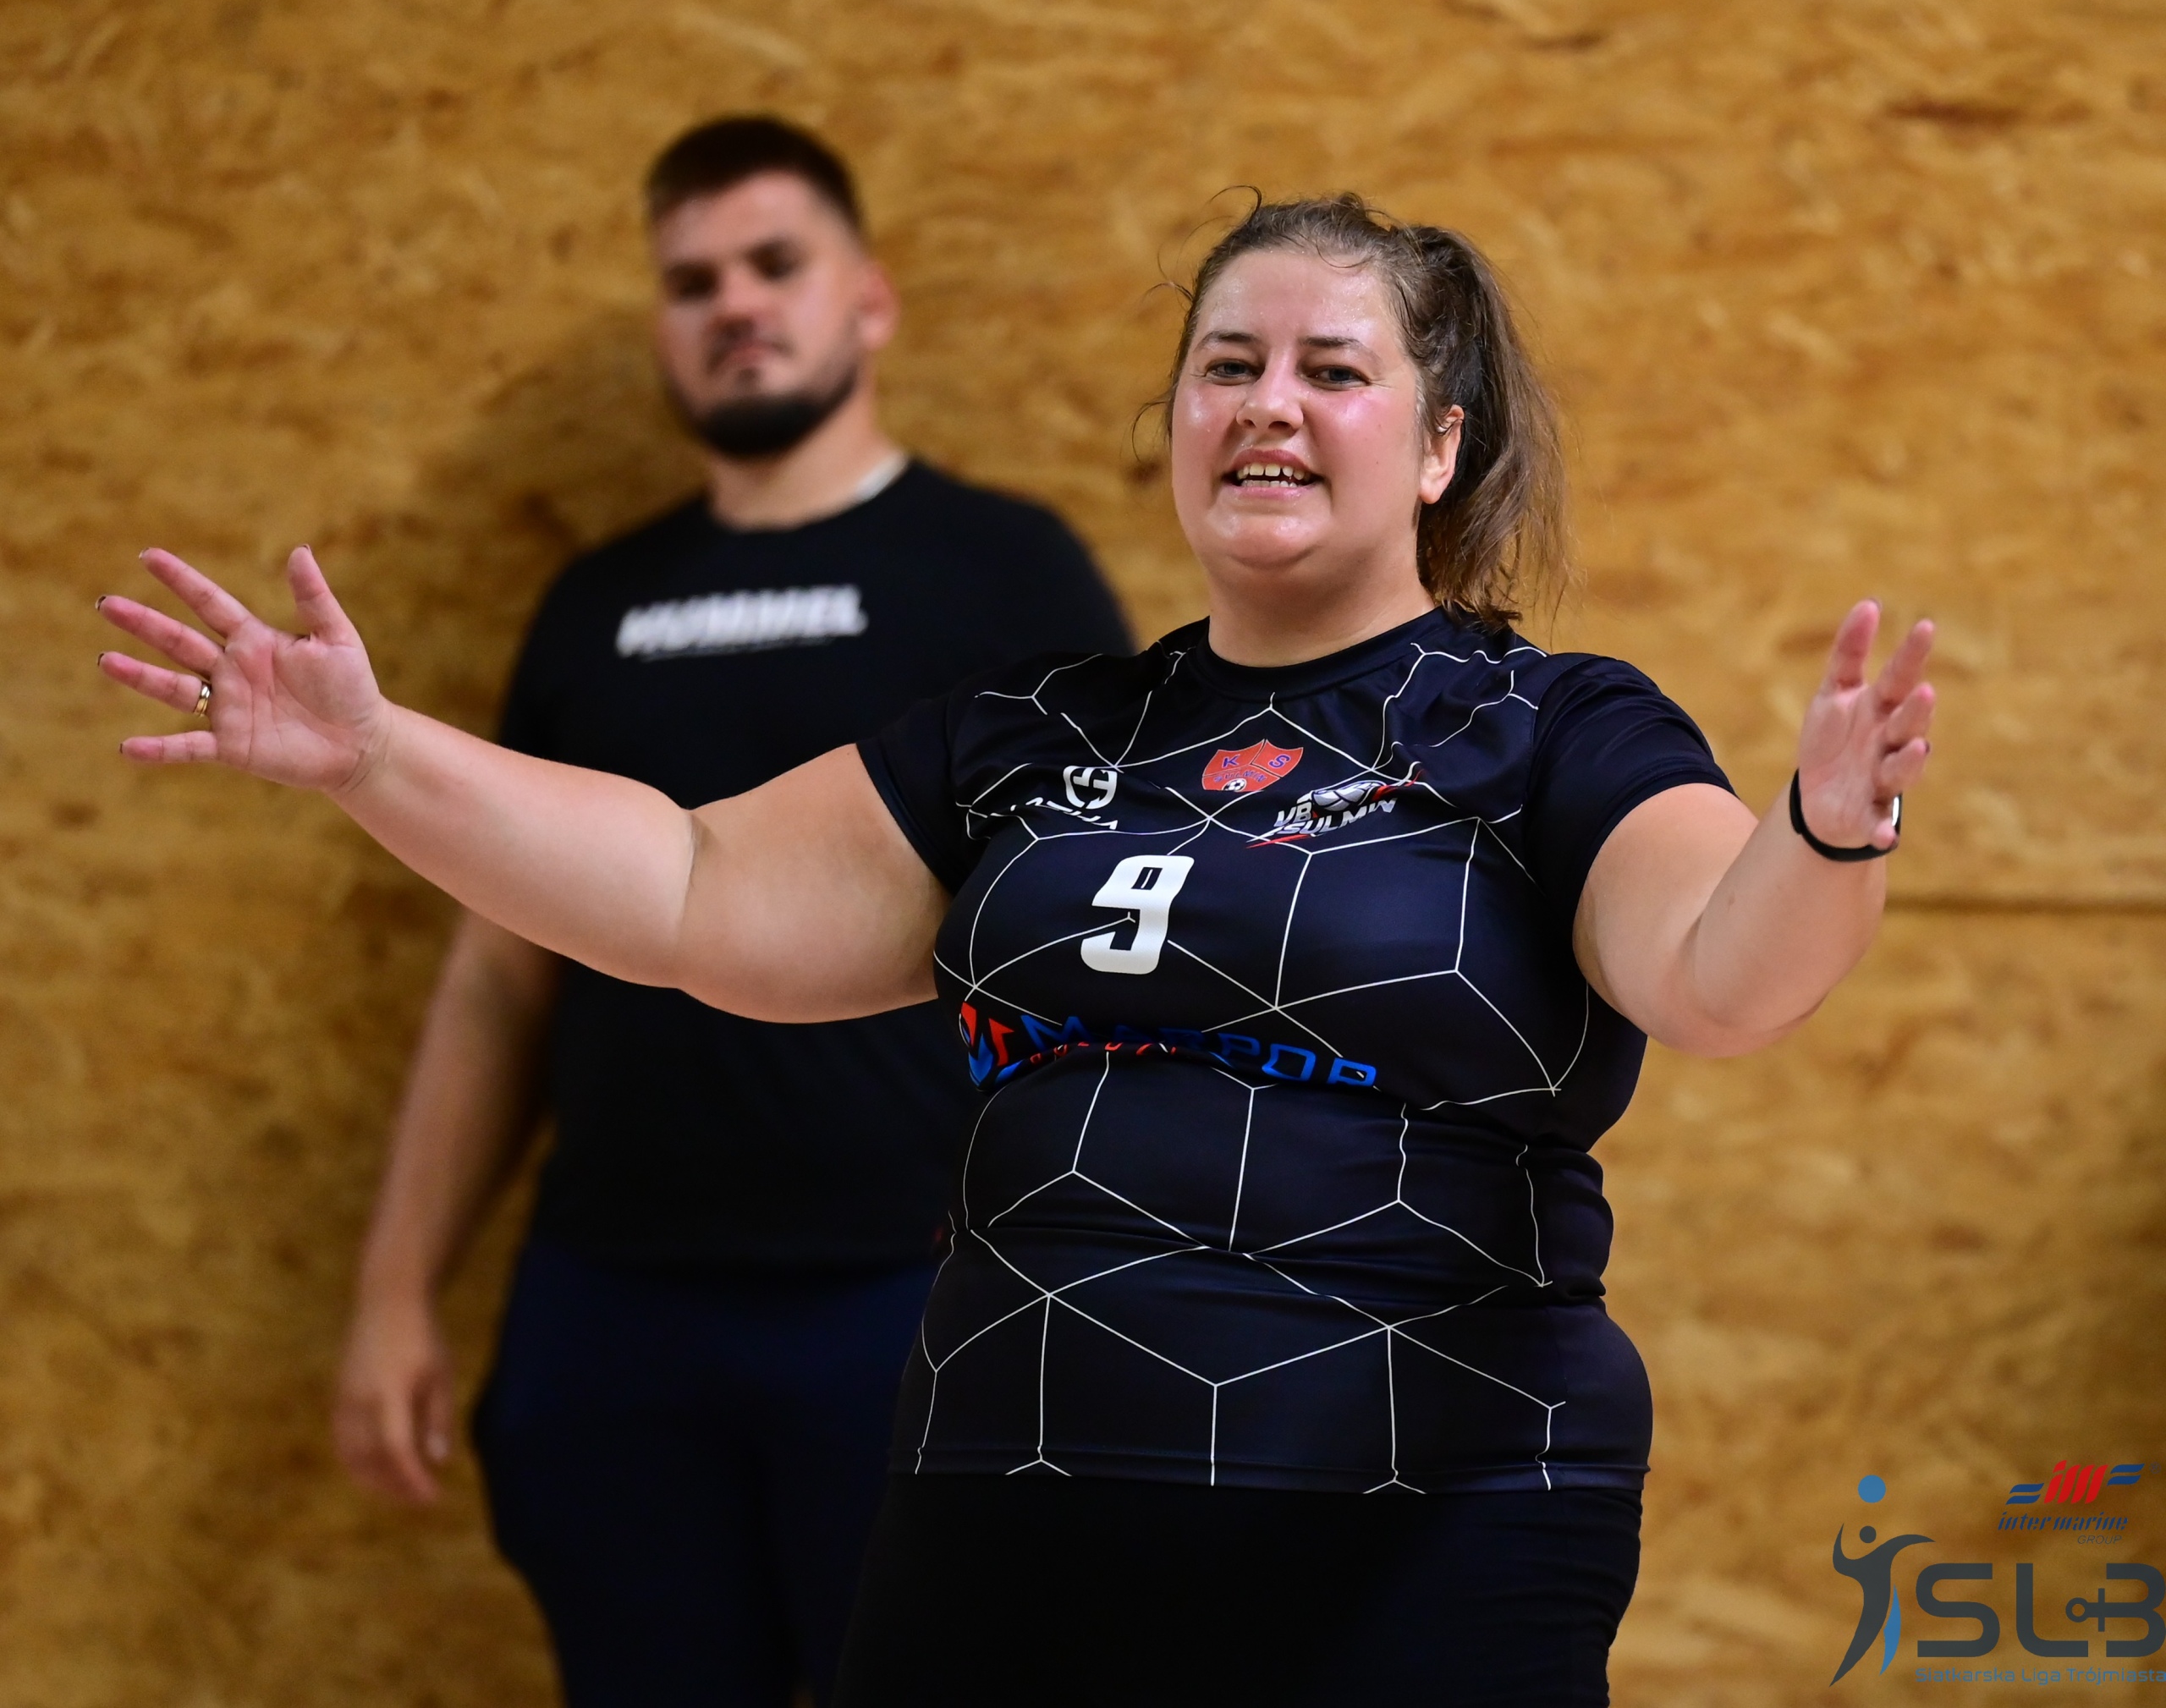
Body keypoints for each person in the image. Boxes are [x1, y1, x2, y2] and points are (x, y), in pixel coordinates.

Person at [96, 192, 1935, 1706]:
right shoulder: (1035, 734)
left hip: (1420, 1517)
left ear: (1441, 443)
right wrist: (373, 755)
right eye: (1226, 365)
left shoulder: (1546, 725)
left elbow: (1717, 972)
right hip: (1007, 1515)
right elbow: (686, 889)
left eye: (1331, 370)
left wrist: (1827, 826)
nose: (1266, 405)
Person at [317, 116, 1128, 1708]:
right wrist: (397, 1288)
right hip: (617, 1308)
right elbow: (498, 975)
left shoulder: (1003, 573)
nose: (734, 304)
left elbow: (1115, 943)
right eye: (692, 281)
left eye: (775, 264)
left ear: (870, 298)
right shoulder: (595, 607)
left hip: (915, 1294)